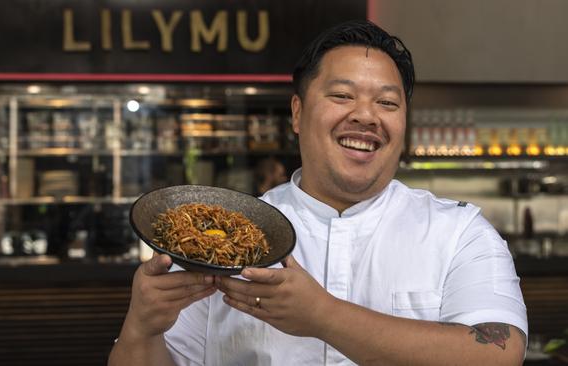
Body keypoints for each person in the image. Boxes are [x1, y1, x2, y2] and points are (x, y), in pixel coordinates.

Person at [109, 19, 527, 365]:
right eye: (342, 95)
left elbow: (500, 354)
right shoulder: (231, 238)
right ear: (297, 112)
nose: (365, 115)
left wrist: (323, 316)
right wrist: (141, 326)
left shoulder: (459, 232)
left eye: (387, 103)